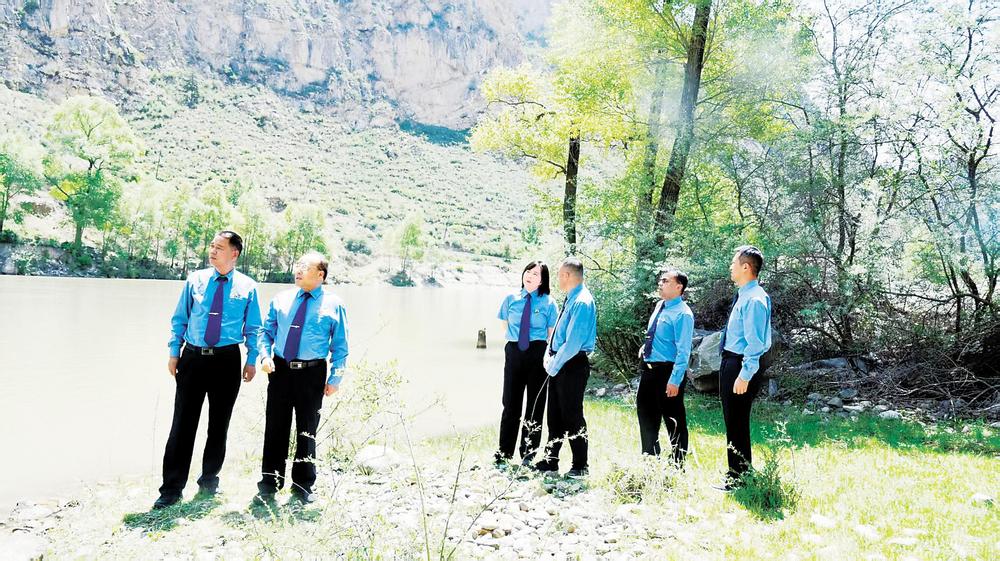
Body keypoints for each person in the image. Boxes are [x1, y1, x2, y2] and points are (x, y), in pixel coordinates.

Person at [155, 230, 262, 509]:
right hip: (192, 358)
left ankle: (209, 481)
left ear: (234, 253)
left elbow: (254, 328)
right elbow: (180, 318)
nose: (212, 251)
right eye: (212, 246)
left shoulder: (248, 287)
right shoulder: (195, 280)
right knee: (182, 424)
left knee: (218, 425)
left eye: (219, 247)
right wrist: (174, 352)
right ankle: (171, 489)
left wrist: (252, 359)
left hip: (227, 361)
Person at [256, 251, 349, 504]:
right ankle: (269, 484)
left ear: (320, 275)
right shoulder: (281, 299)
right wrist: (264, 356)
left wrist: (335, 378)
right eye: (298, 265)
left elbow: (340, 347)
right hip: (280, 370)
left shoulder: (334, 305)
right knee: (275, 428)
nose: (298, 270)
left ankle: (303, 486)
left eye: (305, 267)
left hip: (312, 373)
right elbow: (265, 332)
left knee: (307, 430)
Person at [717, 245, 772, 490]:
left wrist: (745, 374)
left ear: (746, 267)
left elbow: (755, 342)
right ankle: (737, 475)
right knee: (733, 422)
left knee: (737, 422)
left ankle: (740, 479)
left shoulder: (755, 299)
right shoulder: (745, 295)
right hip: (732, 362)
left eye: (734, 263)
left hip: (740, 364)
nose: (731, 267)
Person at [536, 257, 597, 478]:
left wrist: (554, 364)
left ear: (567, 275)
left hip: (572, 364)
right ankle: (550, 461)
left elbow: (573, 343)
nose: (558, 279)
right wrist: (548, 355)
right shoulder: (571, 298)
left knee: (572, 415)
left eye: (560, 274)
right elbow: (558, 336)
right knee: (554, 414)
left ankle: (580, 465)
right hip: (560, 363)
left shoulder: (582, 301)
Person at [495, 261, 559, 468]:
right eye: (528, 271)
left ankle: (528, 454)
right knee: (510, 404)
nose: (530, 276)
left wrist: (543, 354)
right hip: (514, 352)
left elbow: (551, 334)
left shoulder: (549, 303)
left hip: (537, 354)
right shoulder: (510, 299)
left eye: (536, 274)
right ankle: (504, 453)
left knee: (535, 405)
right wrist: (515, 345)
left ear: (542, 280)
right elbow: (505, 325)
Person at [636, 268, 694, 464]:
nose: (660, 283)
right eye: (661, 280)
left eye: (666, 281)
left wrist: (675, 380)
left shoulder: (683, 314)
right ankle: (651, 460)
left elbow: (683, 351)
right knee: (646, 415)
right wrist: (645, 347)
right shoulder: (660, 305)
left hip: (668, 372)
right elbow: (657, 334)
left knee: (673, 419)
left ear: (679, 287)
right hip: (649, 370)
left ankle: (678, 463)